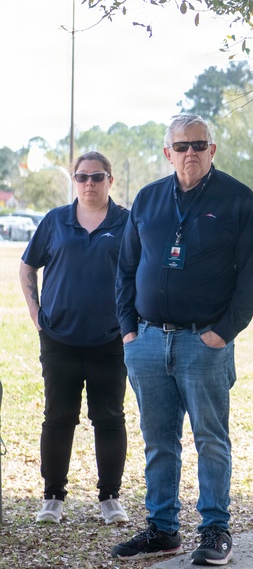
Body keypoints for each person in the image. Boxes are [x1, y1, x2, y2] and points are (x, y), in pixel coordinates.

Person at [111, 114, 253, 565]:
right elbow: (125, 268)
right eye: (182, 146)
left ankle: (215, 528)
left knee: (210, 440)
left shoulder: (237, 198)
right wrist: (128, 330)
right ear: (168, 153)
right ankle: (162, 530)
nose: (191, 153)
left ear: (212, 150)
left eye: (200, 144)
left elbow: (251, 277)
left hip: (205, 342)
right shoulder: (147, 199)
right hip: (148, 341)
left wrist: (223, 334)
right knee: (159, 441)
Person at [19, 152, 130, 526]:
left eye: (97, 177)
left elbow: (139, 275)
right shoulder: (55, 221)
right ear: (74, 181)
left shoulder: (127, 223)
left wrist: (131, 324)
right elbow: (27, 265)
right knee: (58, 418)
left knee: (110, 418)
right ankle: (53, 497)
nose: (88, 184)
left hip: (110, 341)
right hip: (59, 340)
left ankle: (110, 498)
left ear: (109, 180)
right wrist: (36, 314)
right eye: (81, 177)